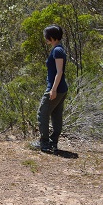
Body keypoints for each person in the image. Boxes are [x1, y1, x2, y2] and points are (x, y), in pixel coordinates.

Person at [32, 24, 68, 153]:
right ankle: (53, 142)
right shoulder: (58, 49)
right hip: (61, 88)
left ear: (52, 37)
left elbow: (59, 72)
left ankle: (45, 143)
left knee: (42, 114)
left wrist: (53, 89)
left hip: (56, 88)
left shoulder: (57, 50)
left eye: (46, 36)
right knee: (56, 115)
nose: (45, 38)